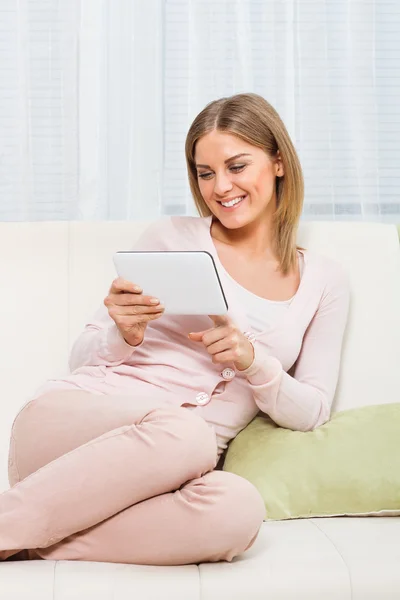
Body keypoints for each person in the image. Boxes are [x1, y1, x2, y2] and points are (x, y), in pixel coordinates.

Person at [1, 93, 349, 565]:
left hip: (162, 478)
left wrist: (254, 362)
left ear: (279, 162)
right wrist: (121, 336)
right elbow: (81, 358)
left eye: (237, 166)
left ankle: (28, 540)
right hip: (69, 432)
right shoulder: (170, 237)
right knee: (186, 434)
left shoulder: (324, 281)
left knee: (238, 510)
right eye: (205, 173)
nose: (220, 187)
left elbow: (313, 411)